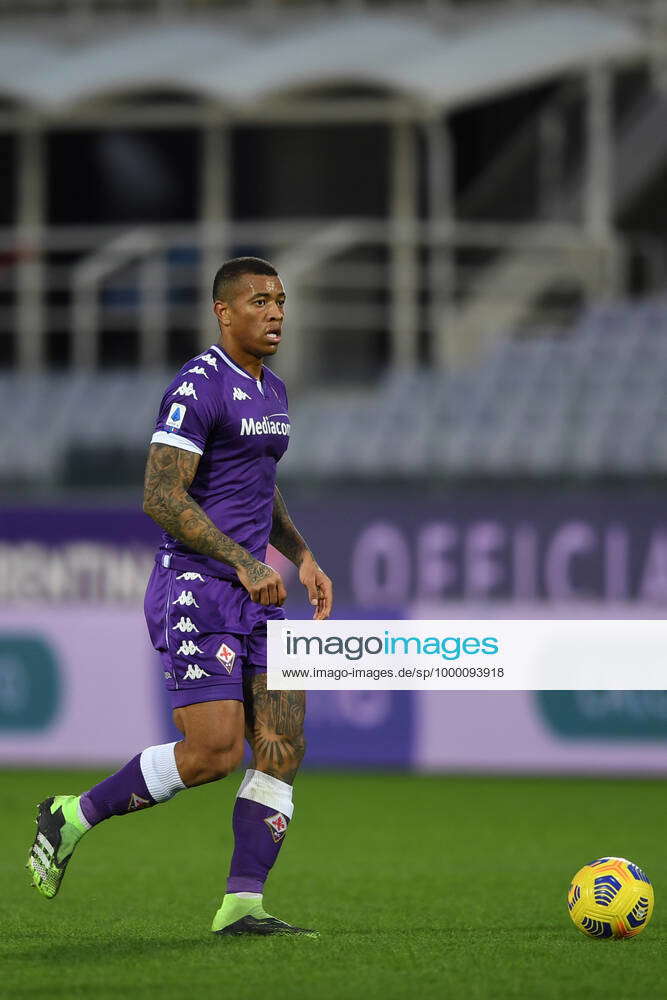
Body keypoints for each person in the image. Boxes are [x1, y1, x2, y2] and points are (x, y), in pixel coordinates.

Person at [27, 256, 333, 937]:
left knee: (282, 742)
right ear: (224, 312)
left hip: (255, 590)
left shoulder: (272, 389)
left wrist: (300, 555)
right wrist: (237, 560)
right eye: (259, 300)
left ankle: (242, 906)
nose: (275, 311)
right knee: (215, 755)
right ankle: (72, 815)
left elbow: (258, 482)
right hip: (198, 586)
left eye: (280, 299)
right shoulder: (197, 386)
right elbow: (160, 495)